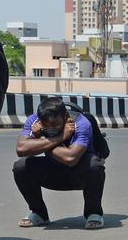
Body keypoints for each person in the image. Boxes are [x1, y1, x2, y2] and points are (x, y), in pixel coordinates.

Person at [13, 98, 107, 229]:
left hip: (79, 173)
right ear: (40, 121)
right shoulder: (33, 120)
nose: (52, 128)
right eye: (47, 126)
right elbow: (21, 149)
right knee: (21, 167)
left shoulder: (81, 123)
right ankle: (39, 214)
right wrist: (60, 137)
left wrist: (40, 139)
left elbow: (70, 158)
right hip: (53, 171)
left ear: (66, 116)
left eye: (56, 124)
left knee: (95, 165)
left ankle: (93, 213)